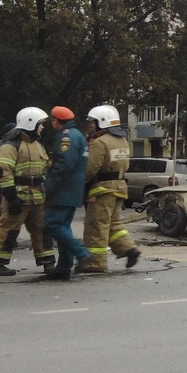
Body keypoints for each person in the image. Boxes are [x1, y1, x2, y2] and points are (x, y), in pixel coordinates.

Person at [0, 106, 56, 276]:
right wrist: (11, 198)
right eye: (40, 124)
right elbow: (3, 171)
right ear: (31, 123)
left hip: (38, 196)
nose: (42, 127)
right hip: (18, 196)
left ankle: (47, 261)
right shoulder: (10, 146)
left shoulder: (38, 145)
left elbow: (45, 168)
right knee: (9, 229)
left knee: (42, 230)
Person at [78, 104, 139, 272]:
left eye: (93, 122)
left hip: (102, 190)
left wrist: (79, 183)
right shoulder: (123, 141)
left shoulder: (100, 142)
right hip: (119, 187)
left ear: (102, 123)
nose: (90, 125)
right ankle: (128, 248)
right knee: (113, 223)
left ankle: (95, 263)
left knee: (96, 226)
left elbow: (90, 169)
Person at [41, 106, 89, 281]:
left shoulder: (67, 137)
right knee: (63, 228)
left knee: (51, 225)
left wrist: (49, 185)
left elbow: (63, 164)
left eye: (52, 120)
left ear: (56, 120)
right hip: (72, 190)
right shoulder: (78, 136)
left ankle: (81, 253)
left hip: (63, 190)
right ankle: (63, 267)